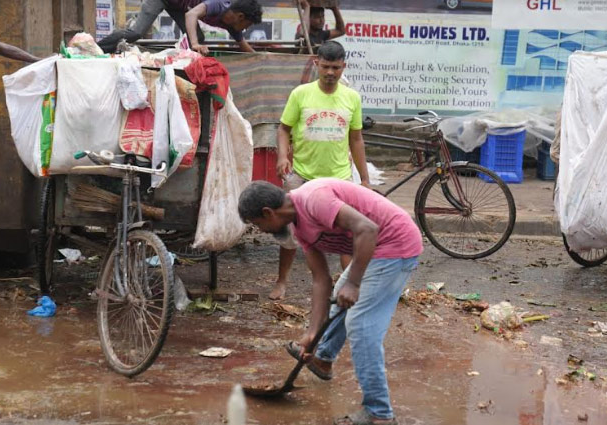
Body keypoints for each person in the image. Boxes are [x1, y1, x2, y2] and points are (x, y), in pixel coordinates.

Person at [238, 179, 422, 425]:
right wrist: (312, 335)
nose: (260, 230)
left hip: (394, 244)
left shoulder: (315, 200)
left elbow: (367, 229)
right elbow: (320, 280)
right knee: (339, 298)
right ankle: (322, 358)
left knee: (361, 325)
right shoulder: (299, 227)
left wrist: (354, 283)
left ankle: (379, 412)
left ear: (268, 213)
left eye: (257, 224)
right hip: (374, 249)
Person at [270, 40, 370, 300]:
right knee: (290, 232)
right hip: (301, 175)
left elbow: (356, 139)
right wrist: (283, 156)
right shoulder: (300, 94)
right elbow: (283, 129)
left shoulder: (352, 97)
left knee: (347, 234)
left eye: (335, 68)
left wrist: (365, 180)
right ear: (316, 63)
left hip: (339, 179)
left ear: (343, 67)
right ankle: (281, 282)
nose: (330, 73)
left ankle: (349, 287)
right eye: (325, 66)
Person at [97, 0, 262, 54]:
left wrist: (261, 56)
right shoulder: (219, 5)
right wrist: (196, 44)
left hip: (178, 6)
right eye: (246, 25)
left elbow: (243, 46)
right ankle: (97, 48)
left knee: (198, 39)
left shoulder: (233, 25)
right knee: (136, 33)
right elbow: (191, 15)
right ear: (240, 16)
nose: (243, 30)